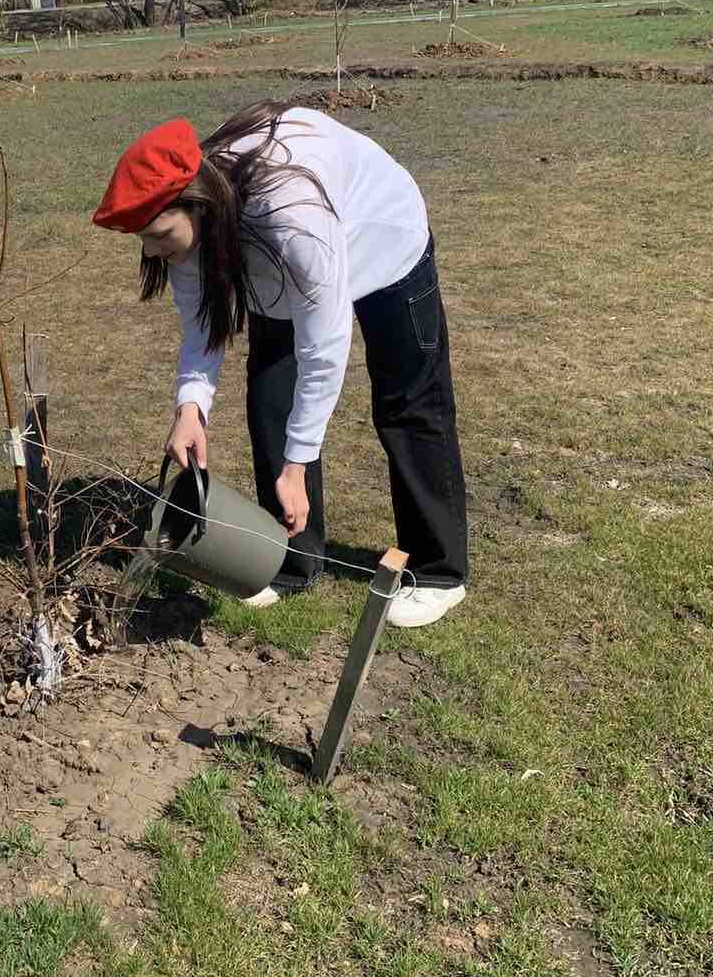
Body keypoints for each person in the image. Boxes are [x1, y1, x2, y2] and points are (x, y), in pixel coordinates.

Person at [92, 101, 467, 628]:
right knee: (270, 399)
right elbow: (203, 326)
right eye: (144, 240)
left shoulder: (291, 216)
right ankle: (290, 559)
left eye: (158, 235)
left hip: (384, 243)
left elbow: (325, 342)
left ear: (196, 205)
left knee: (408, 406)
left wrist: (298, 464)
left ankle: (437, 571)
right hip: (279, 278)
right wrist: (190, 407)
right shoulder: (192, 233)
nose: (153, 253)